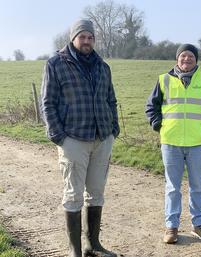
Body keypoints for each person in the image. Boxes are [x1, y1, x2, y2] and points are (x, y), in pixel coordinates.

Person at [40, 19, 119, 257]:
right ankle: (75, 250)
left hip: (102, 138)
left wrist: (113, 129)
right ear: (73, 38)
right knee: (73, 195)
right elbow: (47, 103)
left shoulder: (103, 66)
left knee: (96, 193)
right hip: (73, 138)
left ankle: (92, 245)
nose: (87, 41)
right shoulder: (56, 64)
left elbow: (111, 100)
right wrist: (58, 135)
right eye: (83, 36)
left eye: (91, 37)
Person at [146, 44, 201, 244]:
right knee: (172, 187)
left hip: (198, 142)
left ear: (196, 60)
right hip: (171, 142)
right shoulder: (164, 80)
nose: (186, 60)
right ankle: (171, 227)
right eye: (183, 56)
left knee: (197, 186)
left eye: (190, 57)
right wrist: (158, 125)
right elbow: (151, 106)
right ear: (177, 59)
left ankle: (198, 225)